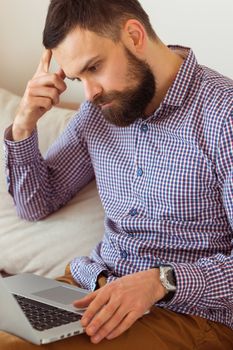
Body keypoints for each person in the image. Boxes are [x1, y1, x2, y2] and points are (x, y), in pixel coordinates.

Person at [2, 0, 233, 349]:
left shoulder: (223, 114)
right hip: (88, 284)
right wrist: (23, 126)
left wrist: (162, 282)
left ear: (134, 35)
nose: (90, 92)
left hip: (187, 313)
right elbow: (37, 204)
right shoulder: (99, 111)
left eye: (95, 67)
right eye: (79, 77)